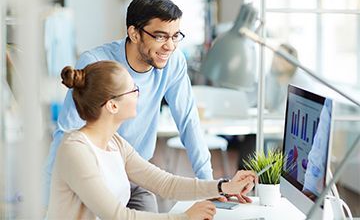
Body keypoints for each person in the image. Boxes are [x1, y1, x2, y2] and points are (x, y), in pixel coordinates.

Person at [44, 0, 214, 210]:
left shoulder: (173, 61)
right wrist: (48, 196)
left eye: (175, 36)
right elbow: (66, 133)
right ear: (134, 33)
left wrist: (211, 186)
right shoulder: (97, 63)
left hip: (139, 173)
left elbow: (188, 120)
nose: (170, 46)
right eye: (160, 36)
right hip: (96, 173)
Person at [47, 61, 257, 219]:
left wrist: (224, 187)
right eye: (133, 90)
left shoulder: (114, 143)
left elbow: (165, 183)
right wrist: (184, 217)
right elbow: (118, 216)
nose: (139, 94)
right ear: (112, 105)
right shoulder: (75, 150)